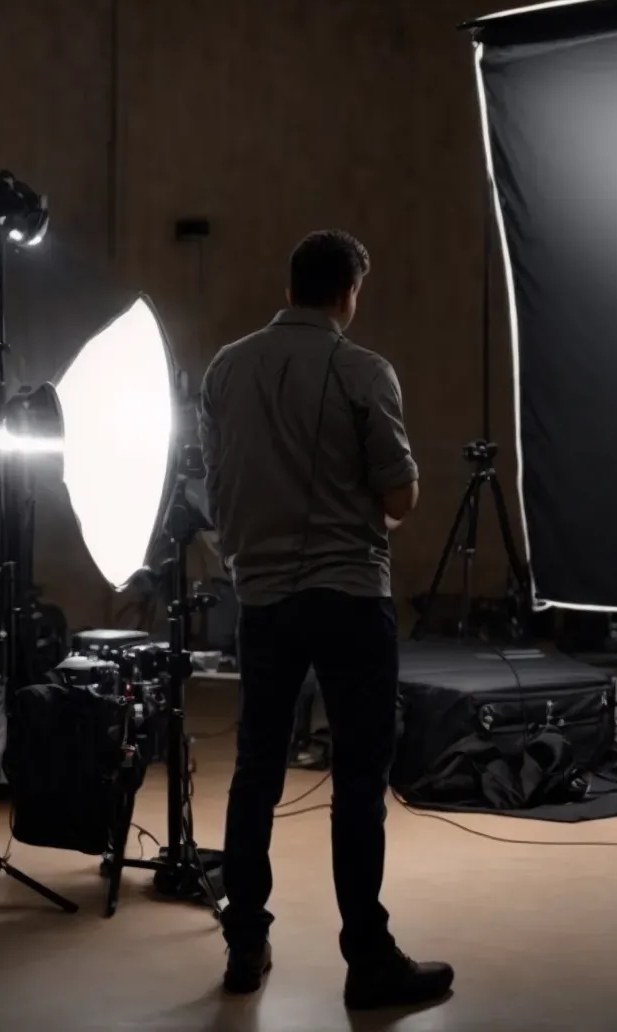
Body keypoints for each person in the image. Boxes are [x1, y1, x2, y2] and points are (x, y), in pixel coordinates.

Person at [198, 230, 454, 1010]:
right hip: (349, 596)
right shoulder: (362, 370)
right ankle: (367, 959)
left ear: (290, 286)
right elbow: (400, 497)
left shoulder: (226, 367)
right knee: (358, 782)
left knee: (256, 772)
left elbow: (216, 484)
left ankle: (246, 940)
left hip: (265, 599)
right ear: (349, 292)